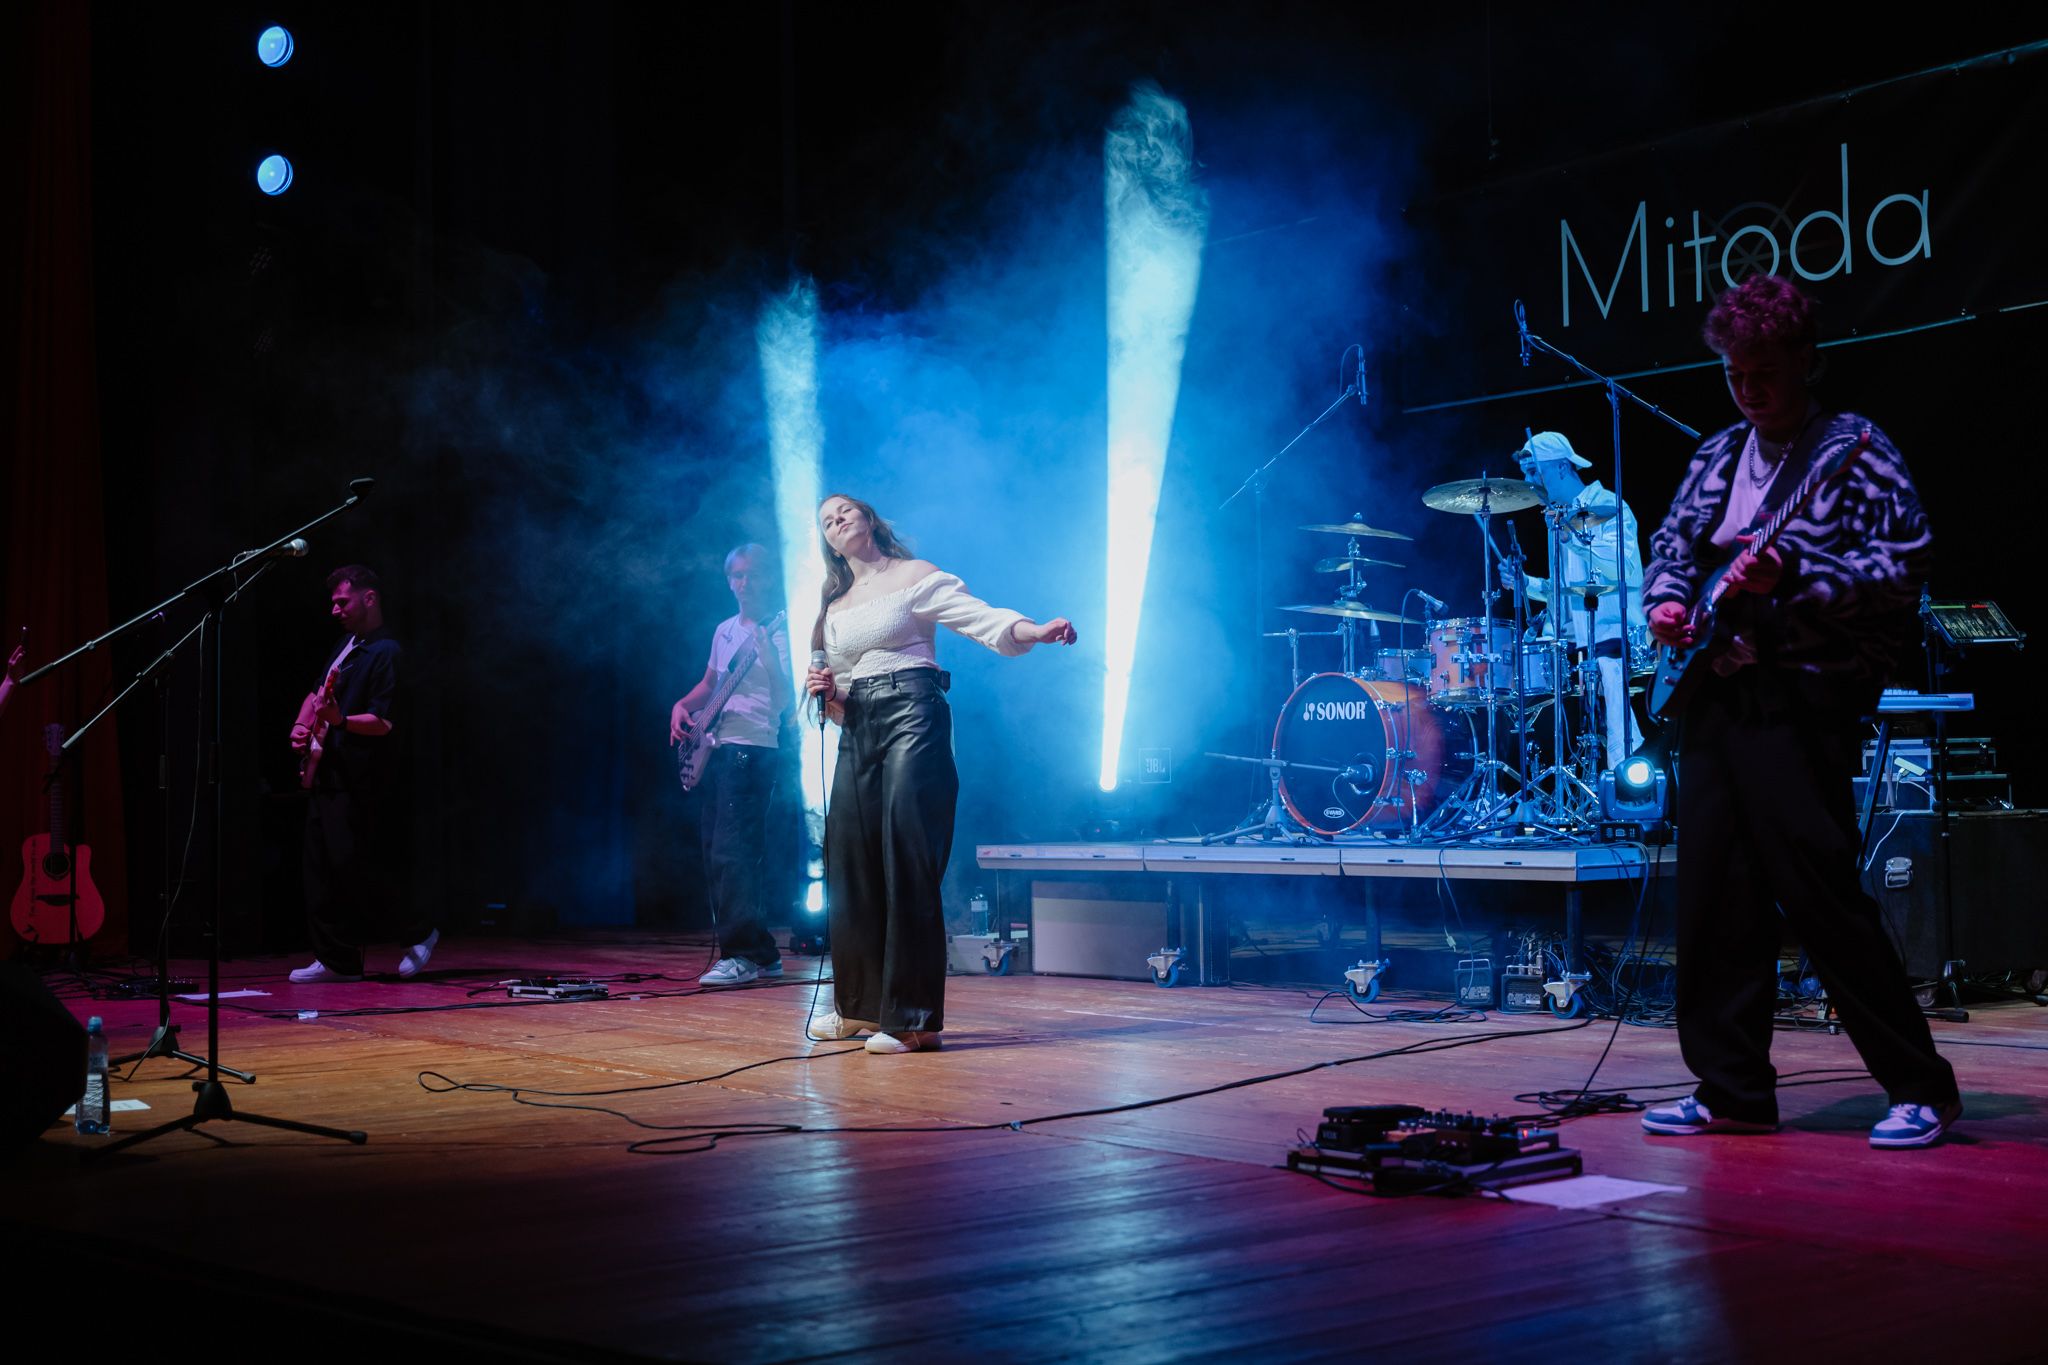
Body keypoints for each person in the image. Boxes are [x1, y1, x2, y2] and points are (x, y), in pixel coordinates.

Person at [1640, 274, 1959, 1148]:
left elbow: (1906, 562)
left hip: (1804, 696)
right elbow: (1671, 546)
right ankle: (1732, 1087)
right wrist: (1666, 600)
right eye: (1735, 373)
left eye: (1765, 372)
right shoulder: (1717, 454)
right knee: (1715, 898)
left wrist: (1801, 575)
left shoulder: (1853, 452)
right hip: (1718, 693)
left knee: (1820, 896)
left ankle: (1921, 1086)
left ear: (1806, 361)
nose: (1749, 390)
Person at [801, 494, 1075, 1054]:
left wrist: (1033, 630)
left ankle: (912, 1019)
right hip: (860, 724)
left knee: (907, 856)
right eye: (827, 520)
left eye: (845, 511)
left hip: (912, 711)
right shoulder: (835, 605)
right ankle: (858, 1007)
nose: (837, 520)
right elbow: (843, 696)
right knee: (850, 859)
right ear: (828, 542)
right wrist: (826, 694)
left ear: (868, 519)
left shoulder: (912, 576)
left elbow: (979, 618)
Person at [288, 566, 438, 983]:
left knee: (358, 867)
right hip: (329, 773)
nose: (335, 610)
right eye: (333, 603)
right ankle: (337, 959)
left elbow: (383, 722)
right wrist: (301, 725)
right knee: (320, 869)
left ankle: (418, 931)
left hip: (361, 778)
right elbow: (316, 694)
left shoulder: (387, 652)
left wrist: (339, 721)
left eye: (343, 602)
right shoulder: (347, 645)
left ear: (369, 598)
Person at [671, 543, 794, 986]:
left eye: (753, 574)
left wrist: (769, 655)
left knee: (734, 854)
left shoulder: (781, 631)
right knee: (719, 853)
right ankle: (762, 951)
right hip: (719, 751)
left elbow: (785, 699)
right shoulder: (724, 630)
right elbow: (710, 684)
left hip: (753, 750)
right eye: (737, 575)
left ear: (768, 578)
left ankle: (740, 955)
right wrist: (682, 706)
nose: (745, 583)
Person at [1508, 431, 1647, 771]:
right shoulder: (1558, 517)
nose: (1528, 482)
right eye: (1526, 473)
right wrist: (1526, 584)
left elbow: (1621, 567)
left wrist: (1572, 540)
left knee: (1607, 686)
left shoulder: (1609, 506)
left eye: (1534, 472)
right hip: (1577, 641)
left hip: (1616, 635)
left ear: (1560, 468)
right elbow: (1565, 589)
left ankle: (1625, 773)